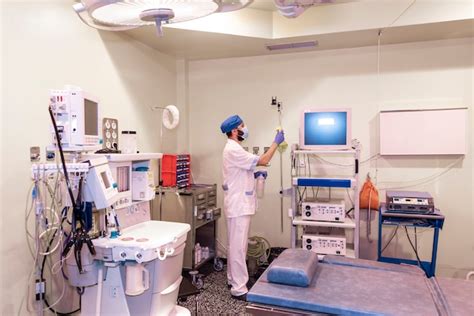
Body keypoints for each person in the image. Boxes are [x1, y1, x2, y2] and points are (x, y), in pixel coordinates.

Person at [220, 114, 285, 301]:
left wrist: (254, 175)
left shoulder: (234, 148)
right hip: (239, 205)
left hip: (238, 203)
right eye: (242, 125)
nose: (245, 128)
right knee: (239, 247)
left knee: (235, 245)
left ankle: (233, 279)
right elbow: (264, 159)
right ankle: (239, 288)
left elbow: (240, 171)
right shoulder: (233, 149)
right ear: (234, 131)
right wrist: (276, 143)